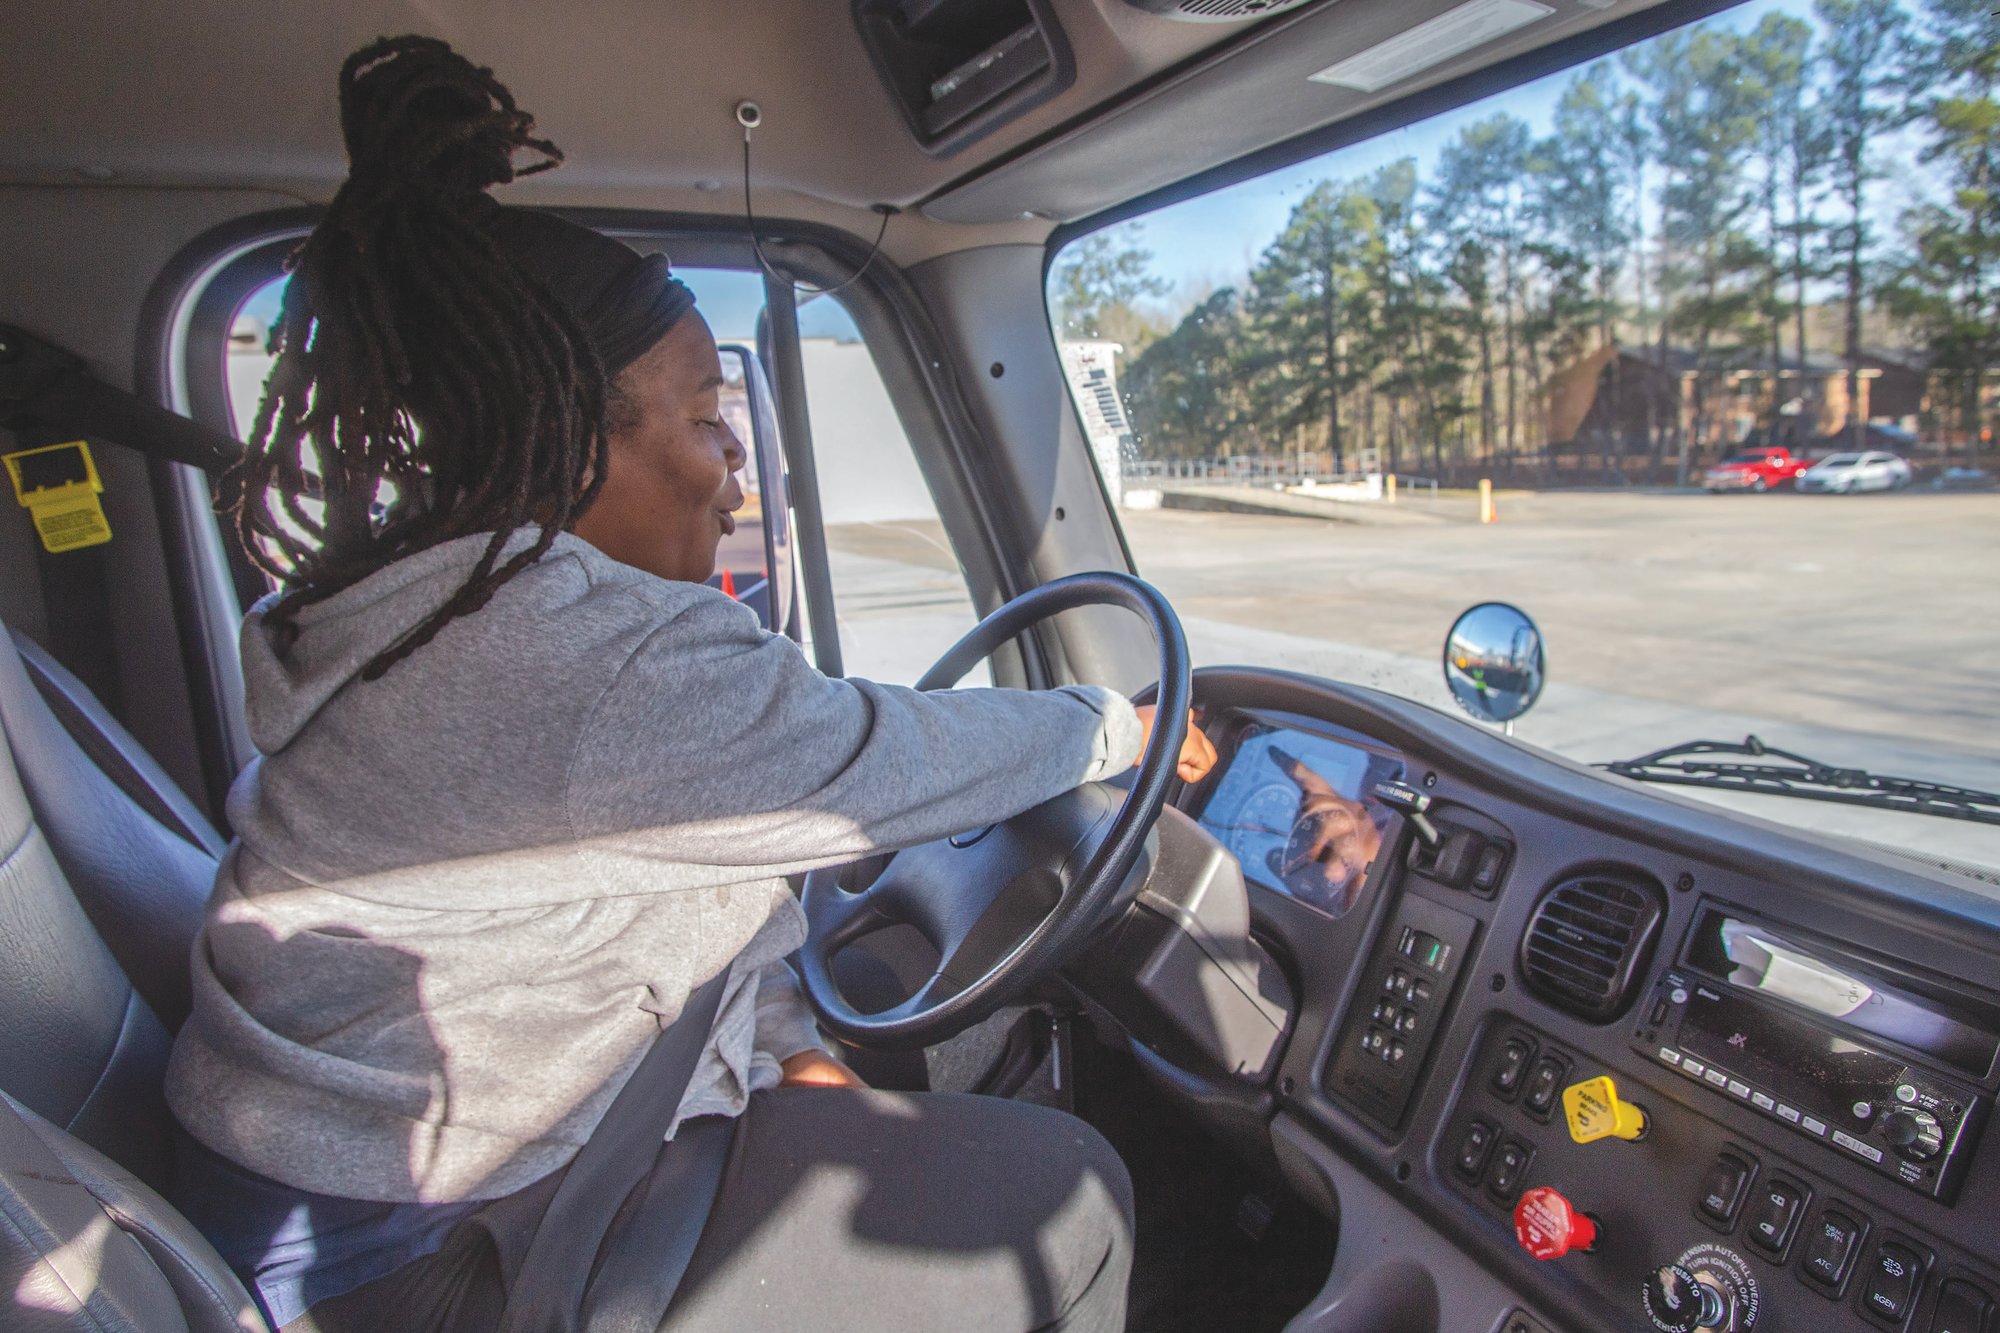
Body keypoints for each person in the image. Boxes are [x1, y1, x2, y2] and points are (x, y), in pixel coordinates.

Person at [163, 35, 1217, 1333]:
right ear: (569, 441)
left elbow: (644, 890)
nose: (731, 468)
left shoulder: (448, 616)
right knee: (1070, 1198)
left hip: (369, 1173)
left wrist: (785, 1049)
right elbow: (869, 763)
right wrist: (1119, 726)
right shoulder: (579, 649)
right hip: (413, 1256)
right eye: (708, 416)